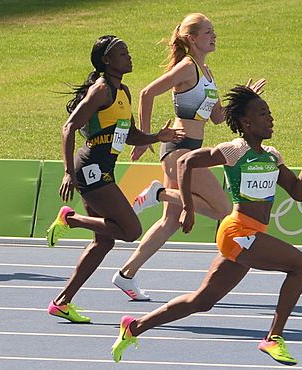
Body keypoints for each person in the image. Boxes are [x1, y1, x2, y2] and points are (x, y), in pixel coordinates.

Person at [111, 85, 302, 366]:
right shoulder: (235, 150)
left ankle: (134, 327)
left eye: (269, 113)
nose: (270, 118)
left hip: (251, 235)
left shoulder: (271, 156)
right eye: (263, 113)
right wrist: (187, 206)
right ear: (246, 123)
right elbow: (186, 160)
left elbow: (298, 192)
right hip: (238, 232)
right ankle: (273, 338)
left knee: (202, 301)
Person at [111, 13, 265, 300]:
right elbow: (146, 93)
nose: (214, 36)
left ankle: (126, 275)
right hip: (180, 150)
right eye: (208, 32)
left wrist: (247, 99)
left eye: (213, 31)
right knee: (223, 211)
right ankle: (158, 194)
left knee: (170, 223)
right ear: (192, 39)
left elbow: (219, 117)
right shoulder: (186, 68)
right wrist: (145, 137)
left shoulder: (206, 72)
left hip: (191, 149)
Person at [45, 35, 184, 323]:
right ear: (107, 61)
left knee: (104, 242)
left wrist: (157, 137)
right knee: (131, 230)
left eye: (128, 51)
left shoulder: (123, 92)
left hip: (103, 168)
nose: (129, 56)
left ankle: (62, 302)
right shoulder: (102, 90)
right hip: (90, 168)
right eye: (122, 53)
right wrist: (68, 171)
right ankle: (69, 220)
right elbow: (69, 128)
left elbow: (129, 134)